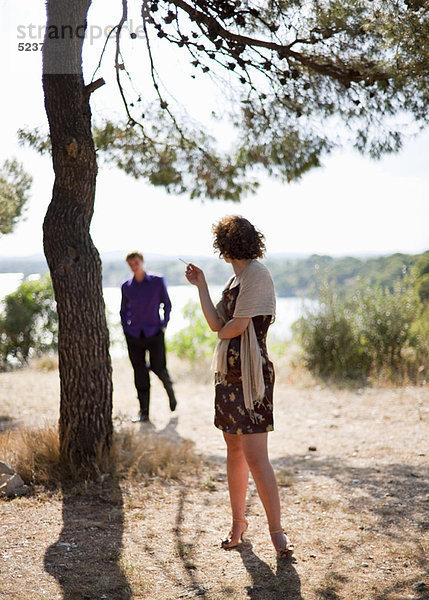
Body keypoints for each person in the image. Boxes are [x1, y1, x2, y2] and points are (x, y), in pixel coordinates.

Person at [185, 215, 294, 558]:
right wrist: (201, 285)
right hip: (227, 378)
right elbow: (217, 323)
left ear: (227, 244)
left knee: (257, 457)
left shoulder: (257, 275)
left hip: (252, 376)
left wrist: (222, 329)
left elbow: (234, 328)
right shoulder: (235, 280)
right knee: (234, 450)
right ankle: (238, 524)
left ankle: (277, 533)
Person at [120, 251, 177, 422]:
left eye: (136, 262)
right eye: (131, 264)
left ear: (142, 262)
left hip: (154, 333)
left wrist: (164, 324)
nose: (134, 266)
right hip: (134, 335)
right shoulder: (126, 286)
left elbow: (166, 304)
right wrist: (126, 329)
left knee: (158, 367)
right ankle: (144, 412)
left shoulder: (157, 282)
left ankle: (170, 392)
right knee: (140, 373)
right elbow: (123, 310)